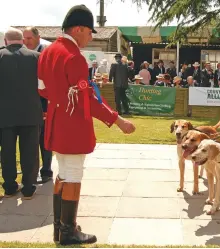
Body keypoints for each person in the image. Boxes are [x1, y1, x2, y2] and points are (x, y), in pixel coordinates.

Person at [37, 5, 136, 245]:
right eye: (90, 32)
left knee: (62, 174)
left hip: (55, 120)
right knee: (73, 175)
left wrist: (59, 101)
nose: (91, 37)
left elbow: (41, 88)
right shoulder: (73, 57)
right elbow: (87, 100)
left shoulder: (48, 52)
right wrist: (118, 120)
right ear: (79, 29)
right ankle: (68, 232)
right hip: (72, 125)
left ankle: (60, 228)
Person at [0, 27, 42, 199]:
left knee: (7, 152)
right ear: (23, 41)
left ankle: (9, 186)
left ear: (5, 41)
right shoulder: (37, 57)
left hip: (4, 113)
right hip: (31, 112)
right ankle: (29, 187)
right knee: (30, 152)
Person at [23, 26, 53, 183]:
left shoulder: (45, 52)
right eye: (24, 38)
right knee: (30, 139)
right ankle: (32, 173)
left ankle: (47, 170)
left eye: (29, 38)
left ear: (37, 37)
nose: (26, 41)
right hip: (28, 102)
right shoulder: (22, 53)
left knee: (45, 139)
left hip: (43, 103)